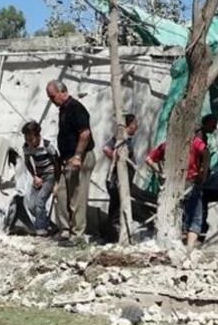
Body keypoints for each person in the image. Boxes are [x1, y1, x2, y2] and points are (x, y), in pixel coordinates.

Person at [145, 114, 218, 248]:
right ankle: (189, 247)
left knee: (176, 214)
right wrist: (203, 173)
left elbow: (149, 159)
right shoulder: (195, 142)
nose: (214, 128)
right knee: (195, 216)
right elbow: (206, 153)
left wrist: (160, 173)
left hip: (171, 186)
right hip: (190, 182)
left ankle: (173, 244)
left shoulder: (168, 144)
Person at [48, 80, 95, 244]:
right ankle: (65, 231)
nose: (51, 100)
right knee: (61, 194)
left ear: (62, 91)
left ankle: (78, 235)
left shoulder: (76, 107)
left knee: (77, 197)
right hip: (67, 159)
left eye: (53, 96)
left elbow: (85, 133)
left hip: (79, 157)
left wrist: (77, 156)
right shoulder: (63, 109)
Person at [102, 113, 139, 241]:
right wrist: (117, 158)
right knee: (116, 210)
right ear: (128, 125)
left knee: (117, 208)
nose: (137, 126)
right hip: (116, 181)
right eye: (135, 123)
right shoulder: (120, 139)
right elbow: (106, 149)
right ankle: (111, 237)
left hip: (123, 182)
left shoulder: (127, 139)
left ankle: (113, 236)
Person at [21, 120, 60, 235]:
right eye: (26, 139)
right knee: (31, 204)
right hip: (39, 176)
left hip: (51, 175)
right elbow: (27, 162)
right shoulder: (27, 147)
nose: (29, 142)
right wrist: (34, 176)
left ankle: (41, 230)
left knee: (40, 201)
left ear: (38, 136)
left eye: (31, 139)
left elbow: (57, 163)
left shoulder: (48, 146)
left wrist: (57, 182)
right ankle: (49, 225)